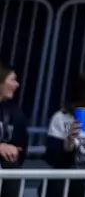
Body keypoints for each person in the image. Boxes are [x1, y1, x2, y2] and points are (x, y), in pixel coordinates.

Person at [0, 61, 27, 197]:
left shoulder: (15, 113)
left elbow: (22, 148)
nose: (17, 85)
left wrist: (12, 150)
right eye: (13, 80)